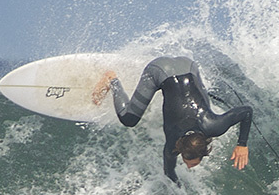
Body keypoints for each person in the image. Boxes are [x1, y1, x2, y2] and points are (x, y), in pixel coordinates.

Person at [91, 56, 252, 184]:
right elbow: (247, 111)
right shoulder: (174, 139)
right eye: (192, 163)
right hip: (158, 69)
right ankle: (111, 79)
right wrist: (242, 144)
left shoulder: (215, 126)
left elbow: (246, 112)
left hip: (188, 64)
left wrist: (242, 145)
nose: (188, 166)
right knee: (128, 119)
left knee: (204, 103)